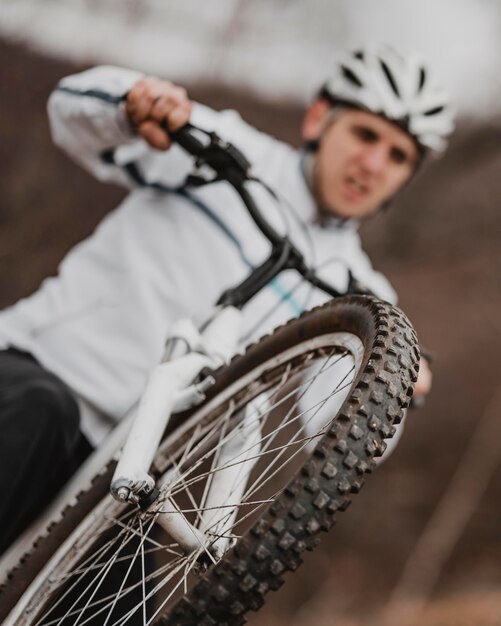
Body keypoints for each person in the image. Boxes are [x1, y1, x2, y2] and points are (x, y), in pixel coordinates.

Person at [0, 45, 454, 555]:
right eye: (365, 134)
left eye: (398, 156)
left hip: (130, 472)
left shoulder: (365, 296)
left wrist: (396, 393)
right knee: (42, 412)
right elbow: (71, 112)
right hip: (38, 374)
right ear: (319, 118)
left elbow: (328, 427)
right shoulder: (228, 151)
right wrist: (133, 104)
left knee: (133, 584)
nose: (372, 164)